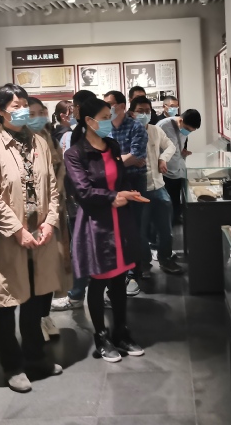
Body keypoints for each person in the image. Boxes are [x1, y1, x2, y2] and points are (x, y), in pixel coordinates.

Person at [0, 84, 63, 393]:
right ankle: (12, 366)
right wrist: (17, 230)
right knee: (4, 304)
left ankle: (35, 357)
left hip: (40, 237)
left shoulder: (39, 142)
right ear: (0, 111)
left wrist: (50, 222)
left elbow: (52, 188)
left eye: (24, 104)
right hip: (8, 240)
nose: (22, 110)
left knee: (36, 303)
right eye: (15, 106)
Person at [63, 98, 144, 363]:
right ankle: (101, 336)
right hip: (96, 224)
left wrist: (128, 194)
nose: (110, 121)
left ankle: (121, 331)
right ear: (89, 121)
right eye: (105, 117)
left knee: (119, 279)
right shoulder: (75, 154)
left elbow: (119, 180)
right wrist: (113, 197)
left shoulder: (113, 146)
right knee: (99, 281)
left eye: (110, 116)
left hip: (120, 220)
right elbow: (83, 191)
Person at [26, 97, 72, 341]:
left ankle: (45, 315)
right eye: (31, 113)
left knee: (51, 268)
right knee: (32, 271)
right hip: (29, 217)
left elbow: (59, 172)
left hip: (54, 213)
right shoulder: (18, 142)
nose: (38, 118)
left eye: (41, 112)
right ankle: (33, 322)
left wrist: (55, 204)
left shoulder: (50, 138)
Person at [50, 89, 96, 311]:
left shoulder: (79, 134)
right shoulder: (71, 135)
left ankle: (80, 294)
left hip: (84, 200)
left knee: (83, 247)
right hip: (81, 200)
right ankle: (79, 293)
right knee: (82, 246)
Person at [130, 96, 183, 275]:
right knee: (141, 230)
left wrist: (163, 158)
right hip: (139, 189)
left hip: (159, 186)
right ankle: (144, 264)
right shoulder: (127, 132)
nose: (144, 114)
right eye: (140, 111)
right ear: (132, 113)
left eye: (147, 111)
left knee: (165, 229)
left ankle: (165, 259)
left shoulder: (155, 130)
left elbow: (170, 146)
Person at [102, 90, 147, 293]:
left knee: (133, 228)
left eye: (110, 103)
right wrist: (123, 160)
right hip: (113, 182)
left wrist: (113, 162)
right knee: (115, 228)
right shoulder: (105, 127)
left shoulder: (136, 127)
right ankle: (118, 272)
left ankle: (133, 274)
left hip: (134, 180)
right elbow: (103, 156)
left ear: (121, 106)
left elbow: (137, 154)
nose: (107, 107)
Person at [158, 109, 201, 227]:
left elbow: (177, 145)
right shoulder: (164, 126)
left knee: (176, 195)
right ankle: (168, 222)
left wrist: (182, 151)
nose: (187, 132)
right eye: (187, 129)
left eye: (191, 131)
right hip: (164, 170)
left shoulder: (183, 127)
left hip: (177, 167)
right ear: (181, 120)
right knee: (168, 198)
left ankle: (176, 217)